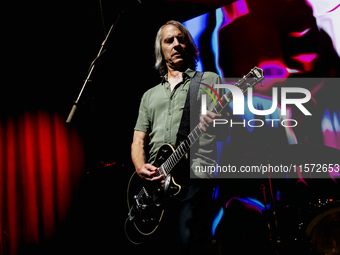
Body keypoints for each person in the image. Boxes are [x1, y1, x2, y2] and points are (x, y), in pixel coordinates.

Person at [131, 20, 225, 255]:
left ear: (189, 46)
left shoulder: (208, 81)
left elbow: (226, 130)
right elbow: (138, 141)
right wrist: (141, 166)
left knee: (189, 241)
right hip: (156, 185)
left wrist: (216, 126)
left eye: (181, 39)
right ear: (160, 50)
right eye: (169, 40)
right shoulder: (149, 96)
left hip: (196, 176)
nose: (176, 44)